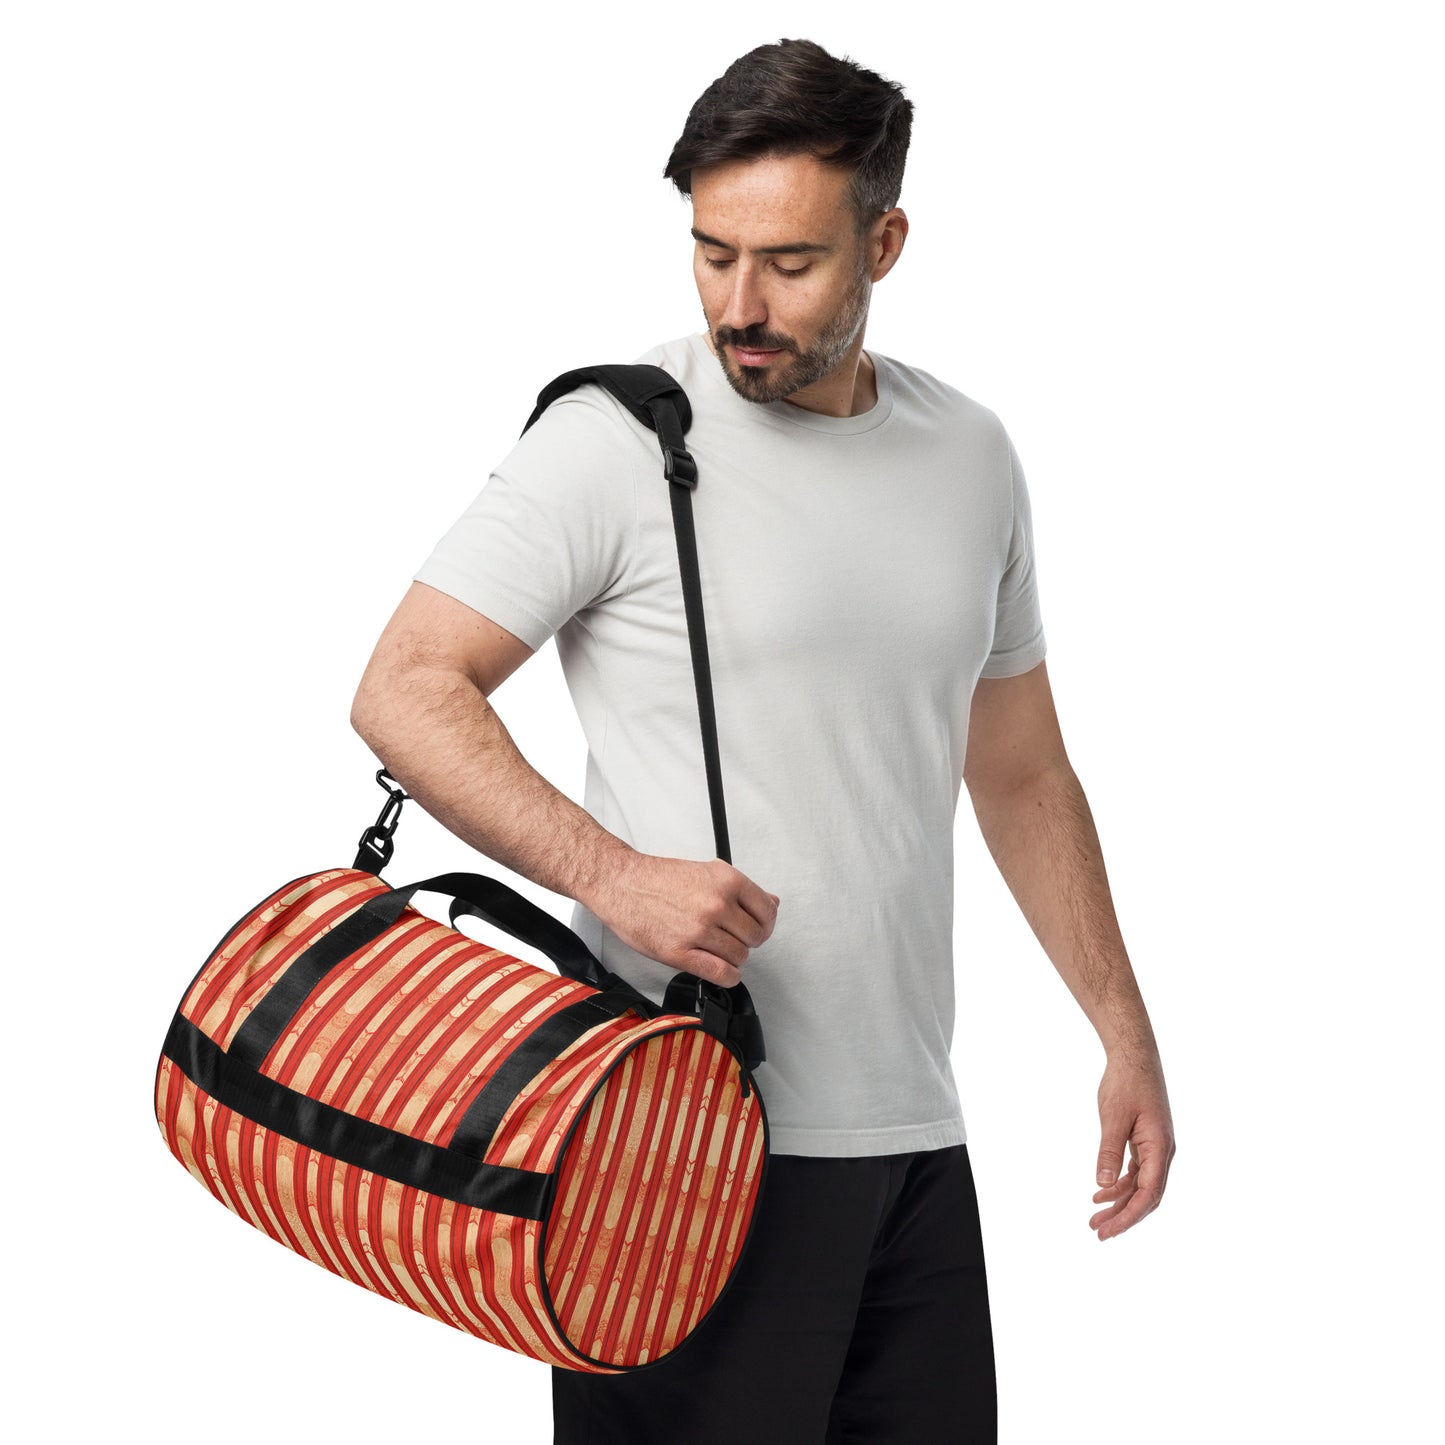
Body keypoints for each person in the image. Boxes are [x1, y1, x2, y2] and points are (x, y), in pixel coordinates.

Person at [350, 37, 1175, 1445]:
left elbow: (1022, 769)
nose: (741, 304)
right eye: (711, 252)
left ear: (884, 243)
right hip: (670, 1141)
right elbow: (406, 686)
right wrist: (612, 874)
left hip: (914, 1135)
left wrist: (1121, 1026)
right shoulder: (615, 440)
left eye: (790, 263)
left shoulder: (969, 454)